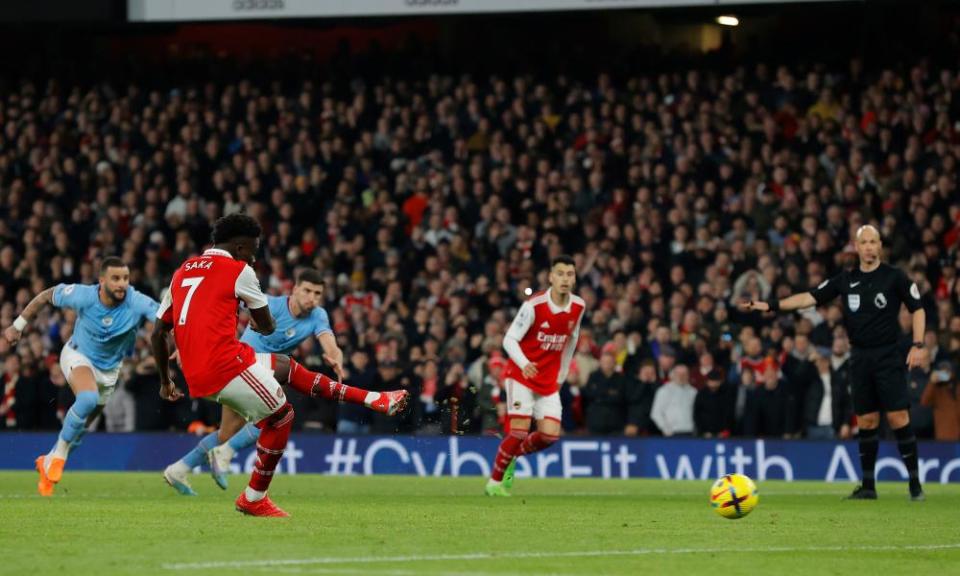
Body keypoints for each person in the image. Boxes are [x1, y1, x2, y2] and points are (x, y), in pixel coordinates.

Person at [153, 214, 403, 516]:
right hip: (227, 365)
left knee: (285, 367)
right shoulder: (239, 270)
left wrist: (166, 381)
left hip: (198, 370)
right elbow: (265, 324)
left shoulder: (182, 271)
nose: (254, 256)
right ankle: (254, 497)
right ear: (240, 246)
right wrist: (267, 327)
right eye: (253, 249)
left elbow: (158, 333)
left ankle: (374, 398)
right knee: (282, 417)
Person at [739, 225, 927, 500]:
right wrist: (770, 306)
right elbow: (809, 297)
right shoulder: (845, 279)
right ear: (857, 247)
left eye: (874, 242)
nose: (869, 247)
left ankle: (914, 484)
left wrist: (918, 344)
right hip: (859, 356)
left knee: (898, 417)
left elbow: (917, 308)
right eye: (864, 242)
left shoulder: (894, 277)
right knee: (866, 419)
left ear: (880, 246)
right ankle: (868, 486)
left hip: (888, 355)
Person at [3, 257, 158, 496]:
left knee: (82, 429)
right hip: (77, 356)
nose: (122, 284)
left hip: (109, 372)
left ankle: (48, 463)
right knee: (86, 399)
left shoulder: (135, 300)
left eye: (125, 278)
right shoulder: (83, 295)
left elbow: (163, 316)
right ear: (102, 280)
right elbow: (45, 296)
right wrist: (17, 325)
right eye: (116, 278)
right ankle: (58, 458)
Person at [485, 255, 585, 497]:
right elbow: (509, 339)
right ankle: (494, 484)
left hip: (548, 381)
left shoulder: (578, 306)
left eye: (569, 274)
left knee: (550, 436)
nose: (565, 279)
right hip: (520, 375)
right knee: (518, 431)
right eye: (560, 273)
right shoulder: (534, 305)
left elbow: (571, 342)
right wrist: (525, 362)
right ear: (551, 277)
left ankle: (510, 457)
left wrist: (561, 375)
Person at [650, 365, 697, 437]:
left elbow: (697, 412)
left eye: (684, 374)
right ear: (673, 375)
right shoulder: (664, 390)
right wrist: (665, 429)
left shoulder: (693, 392)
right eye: (678, 374)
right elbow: (656, 413)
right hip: (672, 433)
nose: (681, 376)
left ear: (688, 376)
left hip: (690, 432)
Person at [920, 360, 960, 441]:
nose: (944, 375)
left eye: (947, 372)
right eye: (942, 372)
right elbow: (924, 401)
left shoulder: (958, 388)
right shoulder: (936, 390)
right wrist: (931, 382)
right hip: (944, 437)